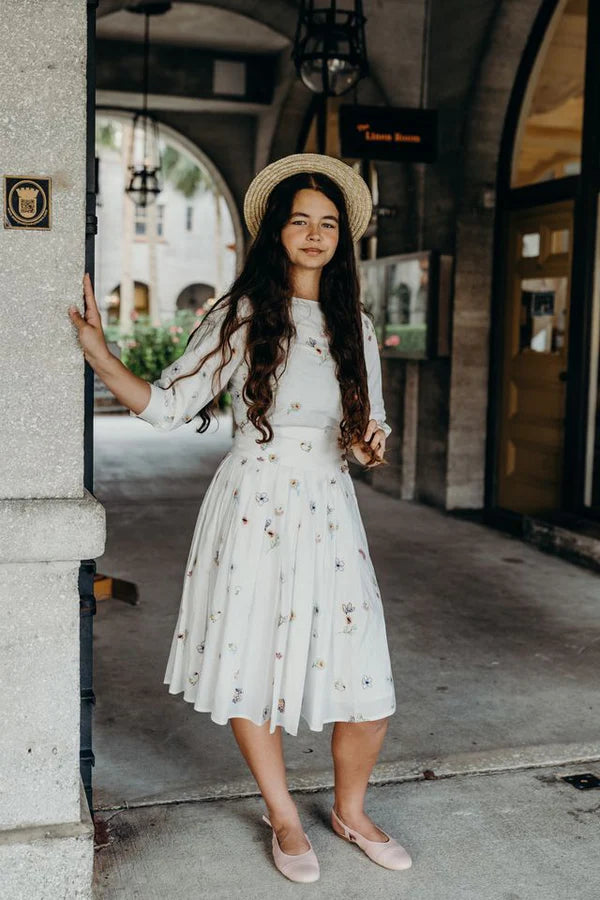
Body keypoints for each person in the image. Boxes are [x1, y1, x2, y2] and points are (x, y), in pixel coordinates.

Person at [69, 152, 411, 882]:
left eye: (328, 224)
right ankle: (284, 815)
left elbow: (368, 431)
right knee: (255, 663)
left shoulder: (357, 322)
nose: (316, 234)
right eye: (301, 221)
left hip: (329, 509)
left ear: (340, 237)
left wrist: (369, 444)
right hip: (254, 502)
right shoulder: (240, 314)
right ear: (277, 233)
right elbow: (167, 407)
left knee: (370, 684)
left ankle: (350, 812)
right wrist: (99, 352)